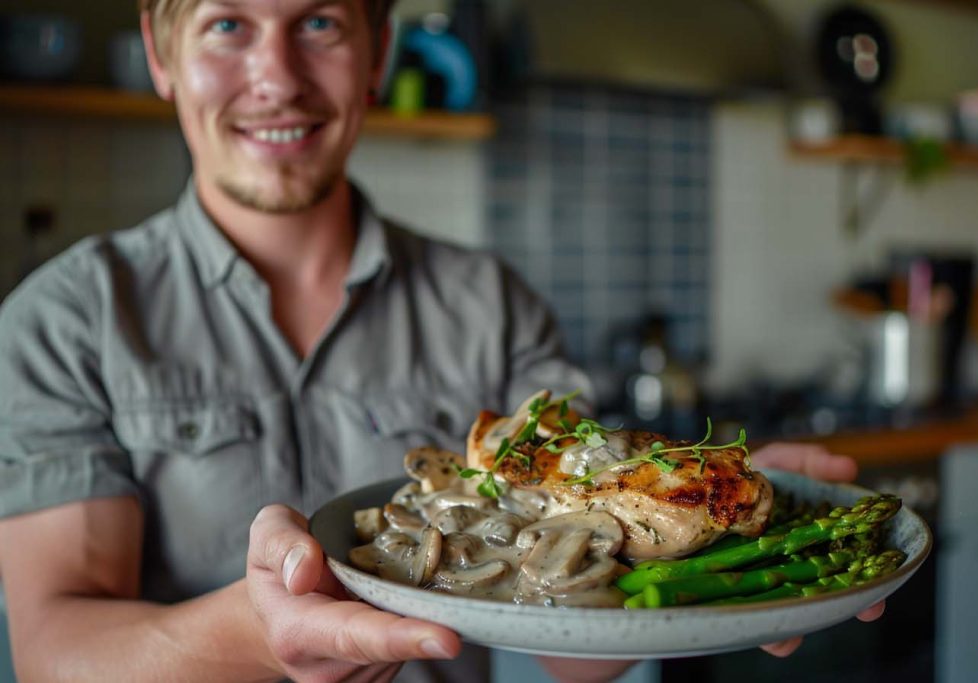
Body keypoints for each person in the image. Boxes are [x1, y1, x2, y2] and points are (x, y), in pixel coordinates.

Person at [0, 0, 883, 680]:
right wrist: (260, 630)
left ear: (378, 51)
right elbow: (55, 654)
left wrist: (713, 566)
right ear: (162, 53)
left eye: (318, 22)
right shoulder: (62, 320)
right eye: (228, 23)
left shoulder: (491, 303)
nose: (276, 77)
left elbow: (575, 645)